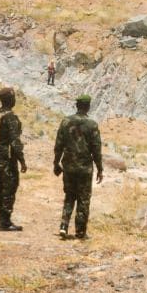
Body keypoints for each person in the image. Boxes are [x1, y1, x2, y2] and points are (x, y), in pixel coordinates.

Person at [53, 95, 103, 240]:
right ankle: (80, 232)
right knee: (83, 199)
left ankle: (63, 226)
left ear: (77, 105)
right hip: (84, 168)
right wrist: (100, 168)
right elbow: (96, 149)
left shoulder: (65, 122)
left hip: (68, 166)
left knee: (69, 196)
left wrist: (56, 163)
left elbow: (58, 145)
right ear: (88, 106)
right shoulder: (92, 125)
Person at [0, 87, 27, 231]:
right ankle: (5, 222)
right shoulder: (10, 117)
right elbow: (15, 142)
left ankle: (1, 218)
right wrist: (22, 160)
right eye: (14, 97)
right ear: (10, 100)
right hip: (7, 159)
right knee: (9, 187)